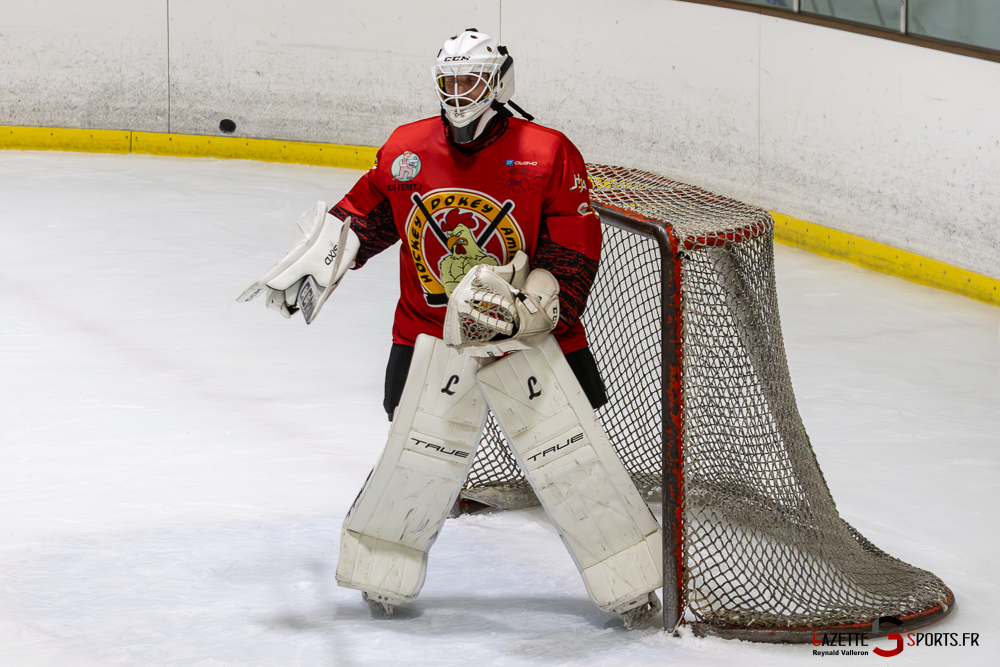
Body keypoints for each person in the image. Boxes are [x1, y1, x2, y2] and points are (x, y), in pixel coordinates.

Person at [240, 29, 663, 629]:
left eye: (471, 81)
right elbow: (371, 215)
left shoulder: (547, 151)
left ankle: (630, 580)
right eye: (450, 83)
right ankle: (381, 570)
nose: (459, 94)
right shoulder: (407, 147)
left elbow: (571, 247)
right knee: (418, 457)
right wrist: (324, 256)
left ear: (499, 84)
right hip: (428, 335)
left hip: (532, 340)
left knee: (573, 462)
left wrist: (537, 307)